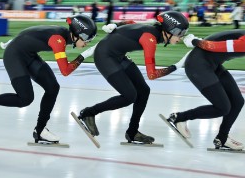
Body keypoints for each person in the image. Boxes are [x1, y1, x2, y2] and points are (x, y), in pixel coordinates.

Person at [165, 13, 245, 150]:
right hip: (198, 65)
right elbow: (212, 46)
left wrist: (196, 41)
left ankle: (222, 138)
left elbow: (217, 43)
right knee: (222, 107)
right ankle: (179, 118)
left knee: (237, 101)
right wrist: (194, 41)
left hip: (210, 63)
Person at [0, 14, 98, 143]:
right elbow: (65, 71)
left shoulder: (64, 34)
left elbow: (37, 30)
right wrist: (83, 56)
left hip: (28, 55)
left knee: (52, 88)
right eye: (86, 38)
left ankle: (40, 130)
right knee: (25, 98)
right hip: (14, 55)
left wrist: (18, 39)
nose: (87, 43)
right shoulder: (59, 40)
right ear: (76, 32)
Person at [77, 11, 190, 144]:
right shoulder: (150, 38)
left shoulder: (154, 32)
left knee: (143, 90)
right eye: (180, 33)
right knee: (129, 96)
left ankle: (132, 132)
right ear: (169, 30)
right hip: (105, 56)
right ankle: (88, 113)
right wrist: (176, 66)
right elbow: (152, 74)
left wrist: (117, 25)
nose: (181, 37)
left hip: (118, 55)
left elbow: (131, 25)